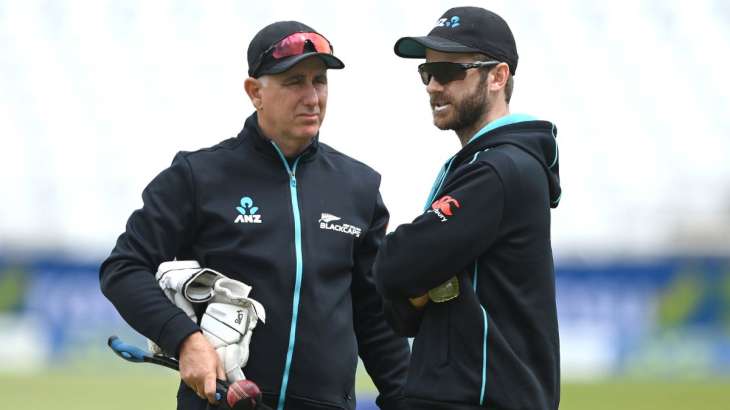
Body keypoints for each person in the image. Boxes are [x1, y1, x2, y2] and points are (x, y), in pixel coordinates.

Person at [100, 20, 409, 410]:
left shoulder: (358, 187)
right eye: (294, 81)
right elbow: (123, 268)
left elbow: (375, 318)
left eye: (320, 81)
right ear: (254, 92)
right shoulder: (198, 176)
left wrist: (408, 399)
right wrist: (185, 339)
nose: (312, 97)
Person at [373, 6, 562, 410]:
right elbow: (400, 312)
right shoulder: (492, 164)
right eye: (427, 73)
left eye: (450, 73)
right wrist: (413, 288)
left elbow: (394, 266)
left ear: (498, 77)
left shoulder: (498, 168)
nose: (433, 86)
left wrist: (413, 282)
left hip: (478, 397)